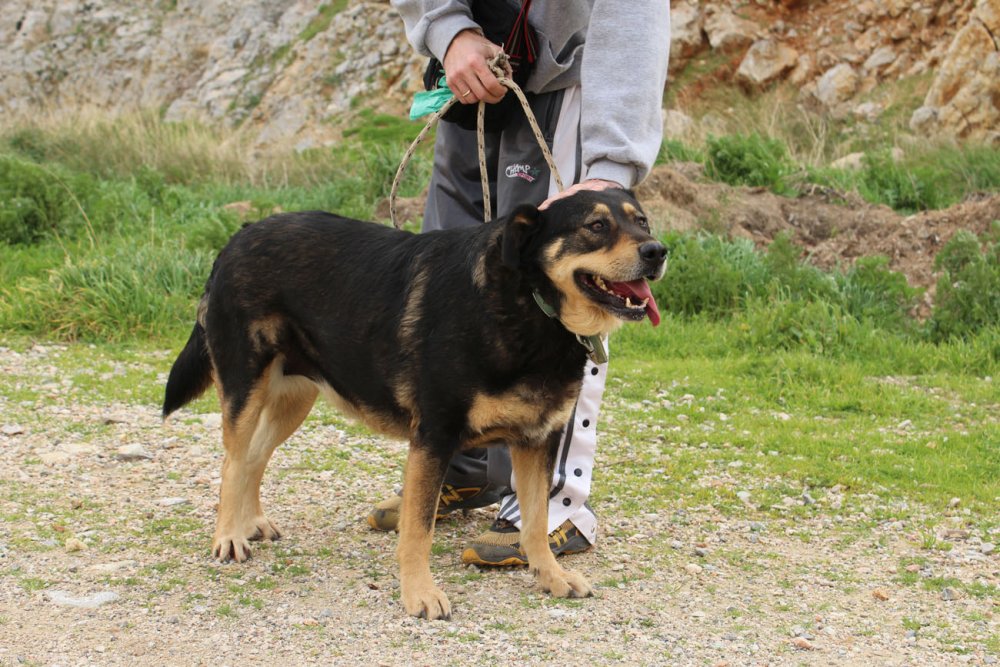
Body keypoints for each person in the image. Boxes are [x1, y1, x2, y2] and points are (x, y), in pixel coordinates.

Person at [370, 0, 671, 566]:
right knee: (450, 283)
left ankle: (554, 505)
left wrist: (610, 165)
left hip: (565, 82)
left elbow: (633, 16)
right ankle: (460, 466)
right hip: (467, 75)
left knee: (567, 292)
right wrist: (449, 31)